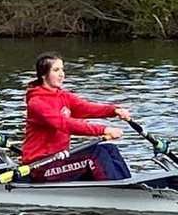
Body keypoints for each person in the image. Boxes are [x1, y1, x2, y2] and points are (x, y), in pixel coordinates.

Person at [23, 52, 133, 182]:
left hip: (60, 159)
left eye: (62, 69)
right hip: (40, 165)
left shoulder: (63, 96)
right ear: (43, 74)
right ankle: (115, 193)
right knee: (95, 154)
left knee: (109, 149)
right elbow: (66, 124)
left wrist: (114, 110)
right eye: (56, 70)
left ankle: (127, 186)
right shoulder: (36, 103)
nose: (61, 74)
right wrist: (104, 130)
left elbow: (86, 108)